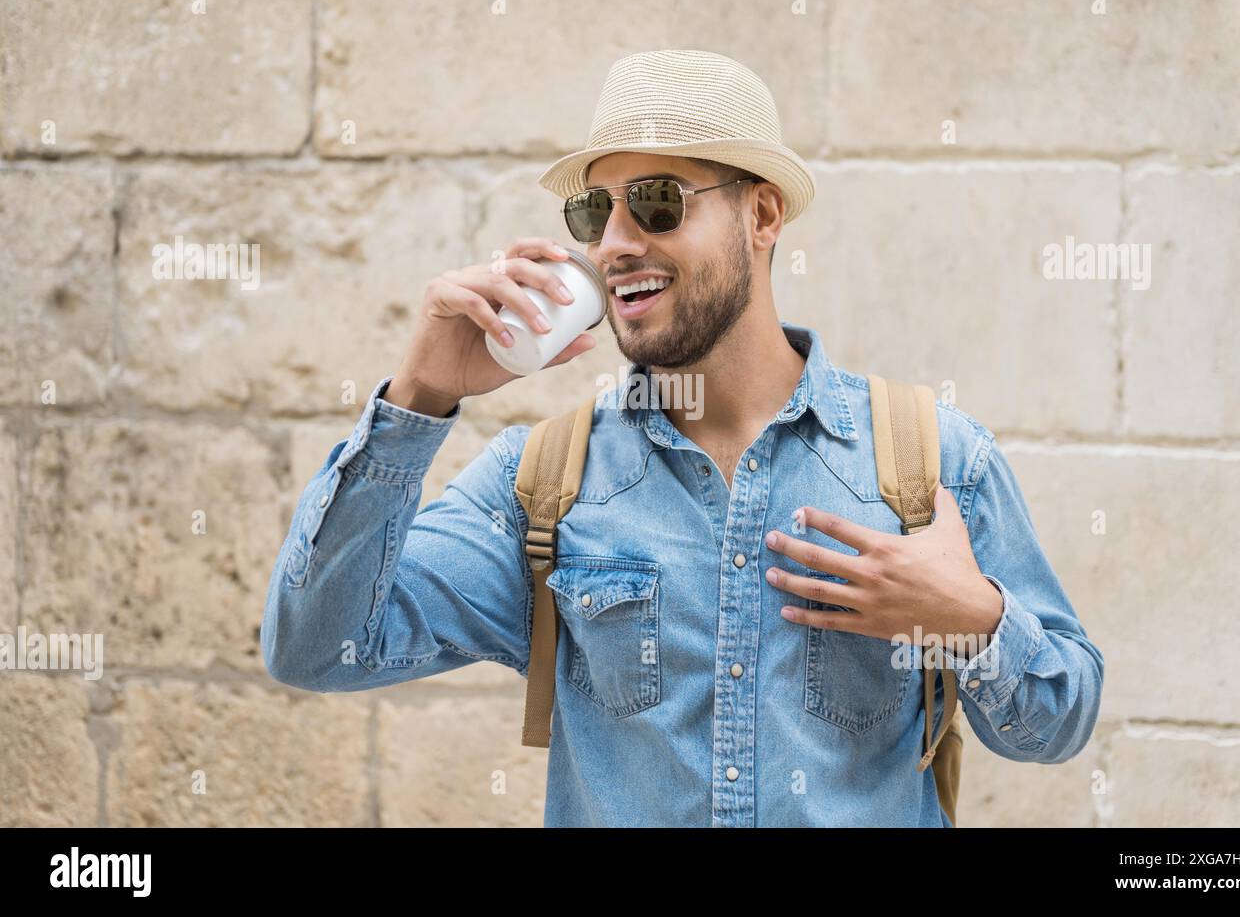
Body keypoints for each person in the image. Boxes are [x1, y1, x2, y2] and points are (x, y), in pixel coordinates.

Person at [262, 49, 1104, 827]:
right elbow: (316, 650)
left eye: (658, 201)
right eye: (596, 211)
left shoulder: (931, 461)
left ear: (762, 214)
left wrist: (974, 622)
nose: (618, 244)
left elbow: (1057, 726)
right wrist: (420, 398)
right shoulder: (542, 483)